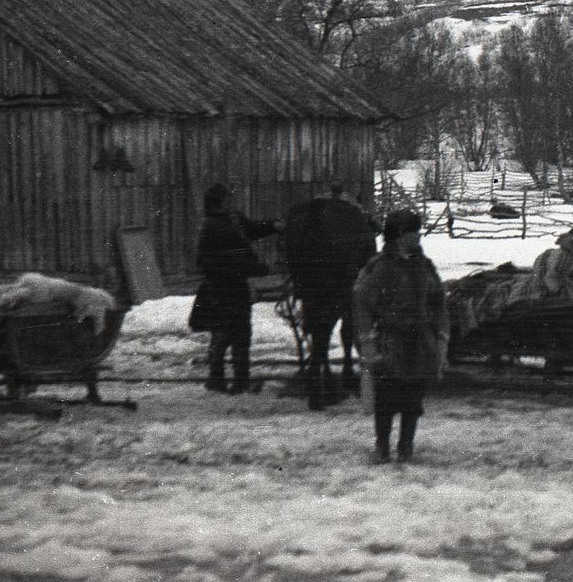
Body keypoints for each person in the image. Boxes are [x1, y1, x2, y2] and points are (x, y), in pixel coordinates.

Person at [353, 207, 449, 463]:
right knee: (386, 398)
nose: (417, 237)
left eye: (417, 232)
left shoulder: (425, 266)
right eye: (411, 232)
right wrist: (367, 341)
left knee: (413, 398)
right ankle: (382, 446)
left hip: (419, 342)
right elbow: (362, 304)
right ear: (396, 236)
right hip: (390, 341)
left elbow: (438, 300)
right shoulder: (379, 268)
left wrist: (441, 333)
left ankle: (406, 446)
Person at [283, 180, 380, 410]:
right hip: (343, 277)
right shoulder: (354, 213)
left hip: (310, 276)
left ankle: (318, 379)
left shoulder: (309, 212)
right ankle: (345, 368)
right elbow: (368, 257)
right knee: (346, 319)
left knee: (318, 326)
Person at [191, 182, 278, 395]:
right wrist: (258, 268)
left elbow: (252, 229)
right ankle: (233, 380)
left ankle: (221, 378)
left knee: (225, 332)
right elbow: (230, 258)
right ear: (218, 203)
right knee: (233, 333)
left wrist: (273, 226)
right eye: (227, 199)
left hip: (227, 286)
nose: (232, 201)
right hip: (223, 287)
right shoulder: (214, 227)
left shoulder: (231, 220)